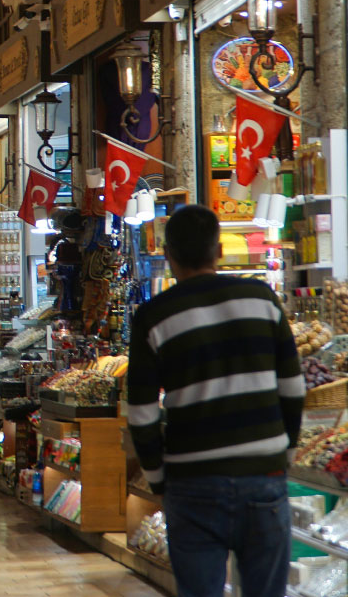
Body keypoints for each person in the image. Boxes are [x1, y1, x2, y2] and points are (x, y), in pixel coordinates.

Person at [127, 205, 303, 597]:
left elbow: (141, 414)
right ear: (218, 250)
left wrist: (157, 478)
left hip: (192, 482)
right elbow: (293, 388)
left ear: (169, 255)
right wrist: (284, 453)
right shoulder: (262, 300)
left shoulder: (154, 316)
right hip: (264, 479)